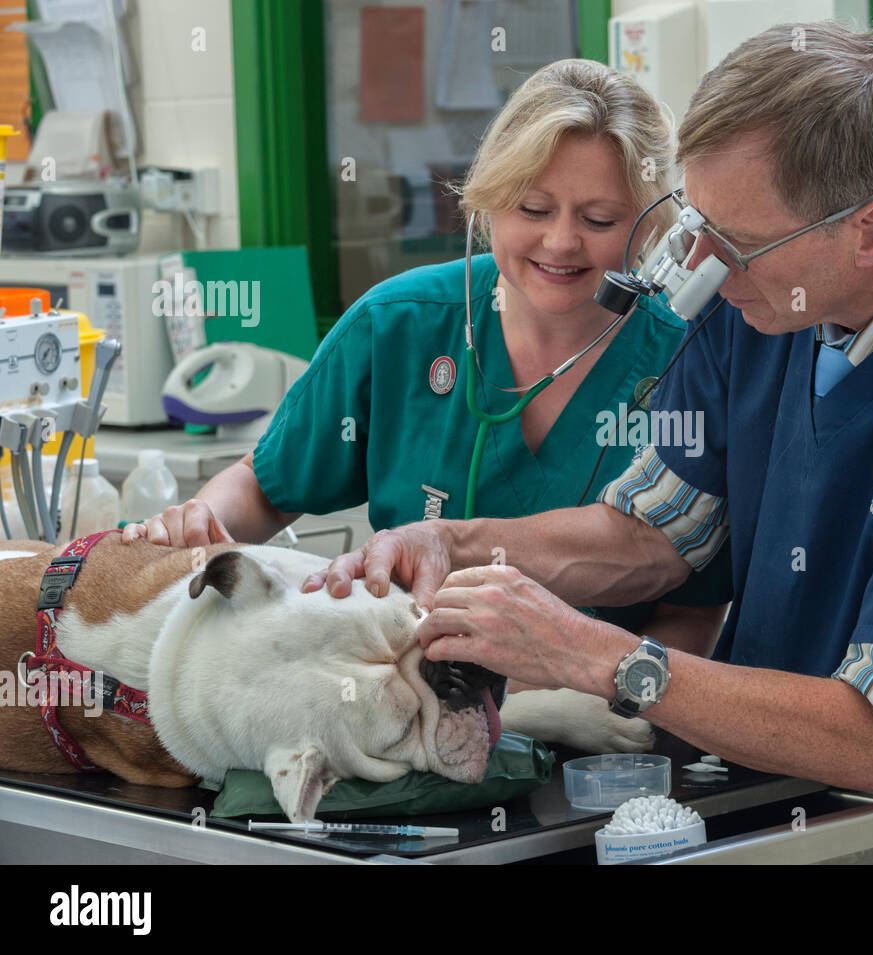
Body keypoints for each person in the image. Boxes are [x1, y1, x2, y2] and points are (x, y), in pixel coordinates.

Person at [303, 23, 873, 865]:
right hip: (782, 789)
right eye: (695, 221)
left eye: (735, 242)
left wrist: (594, 653)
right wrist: (454, 541)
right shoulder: (756, 295)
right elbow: (658, 534)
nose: (699, 264)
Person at [123, 59, 732, 659]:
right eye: (532, 209)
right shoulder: (400, 325)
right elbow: (267, 485)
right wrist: (202, 523)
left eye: (599, 219)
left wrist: (614, 714)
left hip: (593, 732)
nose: (561, 241)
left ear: (653, 224)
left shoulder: (692, 354)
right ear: (488, 201)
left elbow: (693, 605)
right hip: (405, 699)